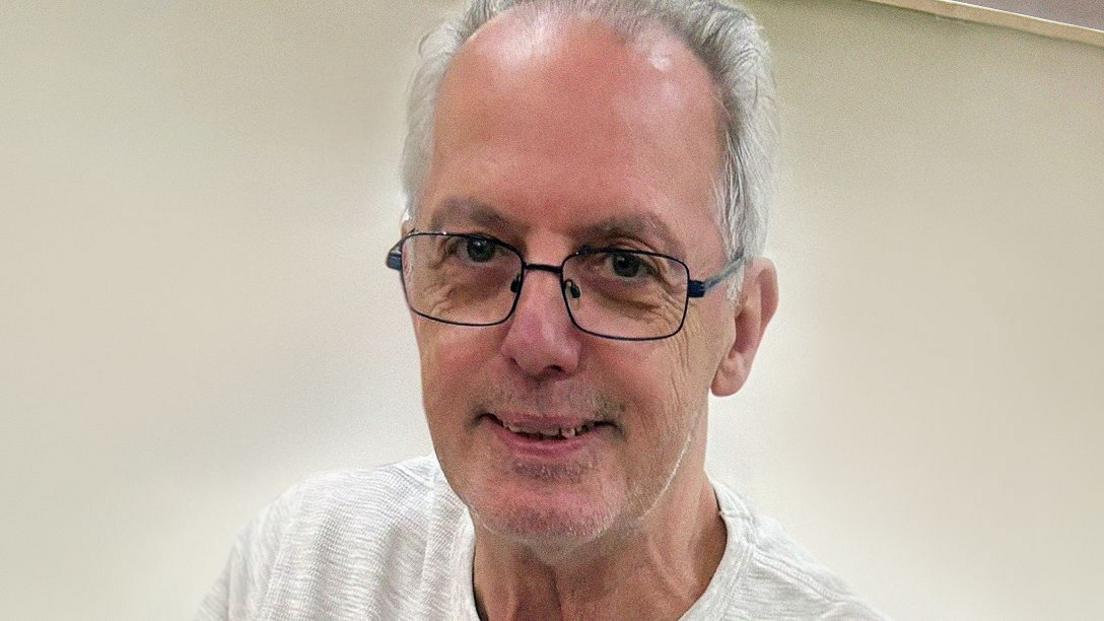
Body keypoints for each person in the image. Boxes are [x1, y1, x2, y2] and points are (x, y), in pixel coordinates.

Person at [198, 1, 885, 619]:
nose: (536, 339)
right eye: (475, 249)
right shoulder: (297, 571)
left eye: (624, 264)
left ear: (739, 330)